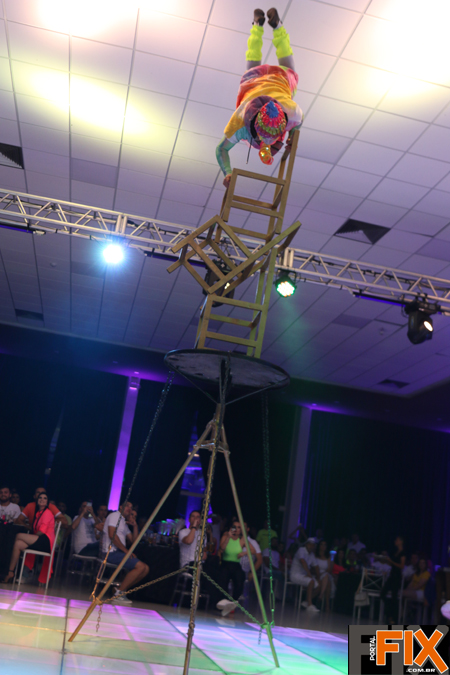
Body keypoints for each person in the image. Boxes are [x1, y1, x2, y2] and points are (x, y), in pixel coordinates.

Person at [216, 8, 302, 187]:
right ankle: (258, 25)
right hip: (256, 83)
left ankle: (275, 26)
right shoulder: (239, 122)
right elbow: (220, 149)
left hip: (278, 81)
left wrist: (293, 134)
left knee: (288, 66)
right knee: (253, 63)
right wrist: (227, 172)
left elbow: (221, 149)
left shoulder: (291, 112)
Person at [101, 501, 149, 605]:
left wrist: (135, 526)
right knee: (141, 567)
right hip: (111, 552)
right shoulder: (115, 516)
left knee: (145, 569)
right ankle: (119, 594)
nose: (129, 509)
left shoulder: (123, 522)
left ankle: (119, 590)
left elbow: (134, 541)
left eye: (131, 507)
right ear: (120, 507)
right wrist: (126, 551)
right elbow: (112, 535)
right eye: (127, 506)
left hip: (118, 552)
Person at [3, 492, 55, 584]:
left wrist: (31, 537)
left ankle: (6, 558)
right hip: (39, 539)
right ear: (37, 500)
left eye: (45, 498)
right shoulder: (38, 513)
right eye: (40, 497)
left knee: (18, 536)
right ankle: (10, 572)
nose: (42, 499)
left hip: (45, 541)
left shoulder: (47, 513)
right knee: (18, 544)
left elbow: (42, 531)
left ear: (47, 502)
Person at [217, 520, 252, 616]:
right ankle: (224, 602)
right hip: (225, 563)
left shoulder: (242, 540)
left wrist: (244, 553)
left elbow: (252, 550)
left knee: (240, 579)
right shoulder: (225, 536)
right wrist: (228, 537)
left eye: (239, 527)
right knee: (223, 579)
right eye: (234, 527)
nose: (236, 529)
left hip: (236, 565)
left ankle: (233, 602)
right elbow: (221, 549)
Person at [379, 535, 407, 623]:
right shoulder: (396, 552)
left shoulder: (403, 553)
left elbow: (401, 566)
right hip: (392, 575)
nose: (395, 541)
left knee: (394, 597)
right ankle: (389, 615)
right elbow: (393, 564)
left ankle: (393, 618)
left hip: (396, 577)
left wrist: (391, 562)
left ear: (401, 542)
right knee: (383, 593)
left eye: (397, 540)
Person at [290, 537, 320, 612]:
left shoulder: (312, 554)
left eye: (313, 545)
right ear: (306, 544)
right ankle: (309, 605)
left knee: (318, 586)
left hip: (304, 576)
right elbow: (302, 561)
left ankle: (306, 602)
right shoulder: (301, 550)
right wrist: (309, 574)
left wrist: (318, 577)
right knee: (311, 581)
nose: (311, 546)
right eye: (309, 544)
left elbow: (316, 566)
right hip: (295, 574)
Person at [316, 539, 333, 611]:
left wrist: (323, 573)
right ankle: (327, 605)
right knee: (328, 582)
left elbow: (329, 569)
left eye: (324, 545)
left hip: (324, 574)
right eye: (321, 544)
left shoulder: (328, 557)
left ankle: (321, 595)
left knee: (326, 576)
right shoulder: (315, 555)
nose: (323, 546)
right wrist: (318, 574)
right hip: (316, 574)